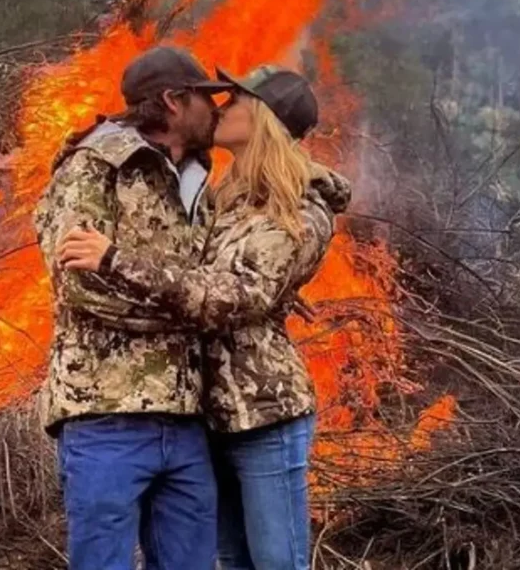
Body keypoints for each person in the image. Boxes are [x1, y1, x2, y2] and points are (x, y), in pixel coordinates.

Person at [58, 65, 352, 570]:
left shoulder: (300, 209)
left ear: (263, 119)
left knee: (278, 562)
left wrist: (115, 259)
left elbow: (236, 295)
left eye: (234, 100)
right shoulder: (227, 197)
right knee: (232, 559)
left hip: (265, 413)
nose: (221, 107)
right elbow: (206, 275)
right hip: (210, 412)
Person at [32, 46, 231, 570]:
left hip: (187, 419)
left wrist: (188, 294)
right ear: (173, 100)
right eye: (207, 99)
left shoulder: (198, 180)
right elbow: (83, 287)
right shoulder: (94, 167)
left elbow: (215, 285)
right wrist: (192, 305)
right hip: (105, 417)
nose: (217, 110)